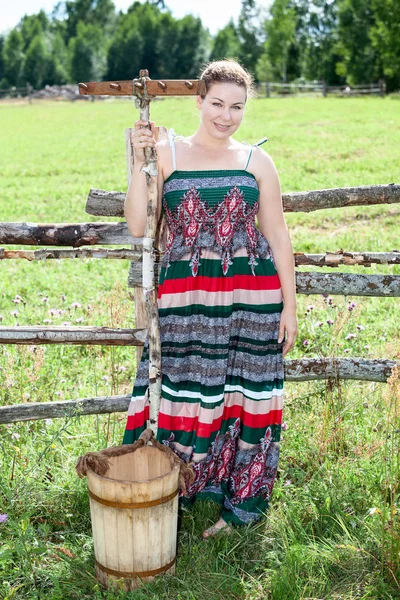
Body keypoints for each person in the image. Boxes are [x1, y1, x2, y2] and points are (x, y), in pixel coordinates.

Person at [123, 59, 298, 537]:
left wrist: (290, 306)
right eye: (217, 103)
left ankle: (240, 501)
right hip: (185, 301)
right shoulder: (168, 152)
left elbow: (278, 235)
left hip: (252, 299)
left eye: (237, 106)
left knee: (247, 396)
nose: (226, 115)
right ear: (199, 101)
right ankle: (168, 490)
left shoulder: (256, 161)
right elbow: (139, 225)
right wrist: (141, 162)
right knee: (181, 390)